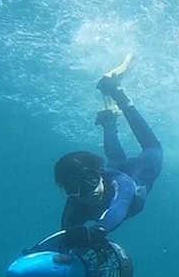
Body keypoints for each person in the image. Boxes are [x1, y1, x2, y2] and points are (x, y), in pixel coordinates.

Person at [54, 53, 163, 245]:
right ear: (69, 191)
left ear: (98, 172)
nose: (88, 191)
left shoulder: (121, 183)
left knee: (152, 147)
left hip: (140, 169)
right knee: (116, 157)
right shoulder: (76, 202)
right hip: (118, 168)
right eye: (75, 188)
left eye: (90, 180)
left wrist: (98, 230)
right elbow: (66, 234)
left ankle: (116, 92)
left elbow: (119, 206)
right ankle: (108, 120)